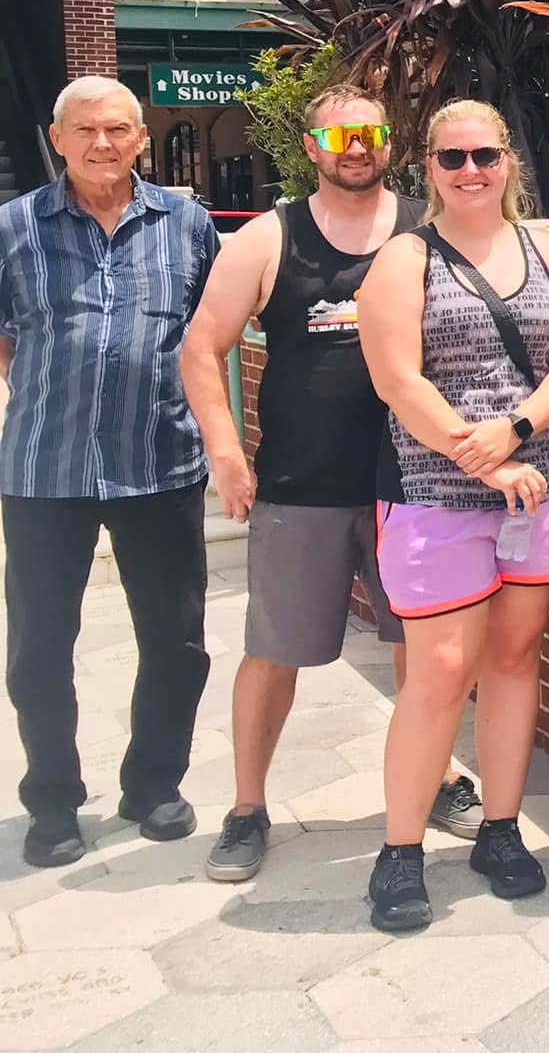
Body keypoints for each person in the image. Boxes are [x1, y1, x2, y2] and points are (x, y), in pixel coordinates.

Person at [180, 85, 482, 884]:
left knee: (425, 650)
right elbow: (201, 347)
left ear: (390, 142)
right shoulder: (269, 238)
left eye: (371, 134)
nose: (358, 149)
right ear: (311, 147)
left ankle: (438, 777)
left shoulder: (430, 227)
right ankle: (247, 807)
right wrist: (226, 451)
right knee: (273, 652)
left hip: (416, 484)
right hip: (301, 484)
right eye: (341, 137)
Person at [355, 100, 549, 931]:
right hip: (435, 489)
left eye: (485, 155)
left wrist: (516, 432)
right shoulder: (405, 258)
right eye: (452, 157)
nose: (470, 171)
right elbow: (398, 379)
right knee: (441, 671)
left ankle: (500, 829)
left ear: (508, 163)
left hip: (541, 483)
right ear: (428, 166)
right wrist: (483, 456)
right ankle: (399, 852)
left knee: (515, 656)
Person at [1, 76, 218, 868]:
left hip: (159, 459)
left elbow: (210, 332)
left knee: (175, 640)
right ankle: (53, 799)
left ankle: (154, 783)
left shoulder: (187, 225)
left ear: (140, 139)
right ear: (57, 138)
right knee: (38, 648)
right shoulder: (13, 228)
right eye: (86, 130)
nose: (103, 143)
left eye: (119, 129)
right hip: (43, 467)